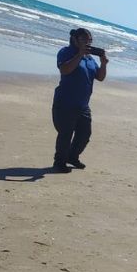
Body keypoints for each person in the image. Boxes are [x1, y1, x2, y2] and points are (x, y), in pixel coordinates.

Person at [51, 28, 108, 173]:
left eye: (90, 41)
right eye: (84, 40)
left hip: (83, 105)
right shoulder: (65, 52)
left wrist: (103, 63)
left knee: (84, 135)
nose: (88, 43)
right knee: (65, 134)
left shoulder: (89, 59)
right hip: (65, 102)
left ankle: (72, 157)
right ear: (75, 40)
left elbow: (100, 77)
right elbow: (64, 70)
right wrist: (79, 54)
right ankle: (59, 163)